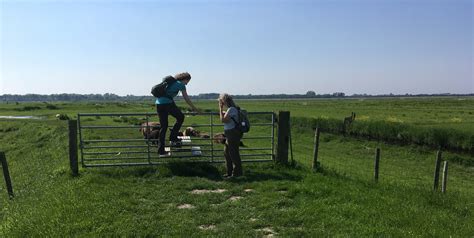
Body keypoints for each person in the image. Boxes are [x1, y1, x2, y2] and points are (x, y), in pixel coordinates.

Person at [156, 72, 199, 157]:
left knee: (163, 127)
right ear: (185, 79)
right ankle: (173, 137)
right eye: (187, 81)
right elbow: (186, 99)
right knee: (180, 117)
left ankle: (161, 150)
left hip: (158, 103)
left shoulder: (171, 82)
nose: (187, 83)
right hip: (167, 103)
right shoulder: (181, 85)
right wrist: (194, 108)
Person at [218, 93, 243, 177]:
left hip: (232, 133)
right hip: (230, 133)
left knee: (233, 153)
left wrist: (220, 109)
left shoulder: (231, 109)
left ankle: (237, 173)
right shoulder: (231, 109)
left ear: (224, 101)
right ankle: (229, 172)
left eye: (221, 101)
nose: (221, 103)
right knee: (227, 152)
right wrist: (223, 112)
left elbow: (223, 120)